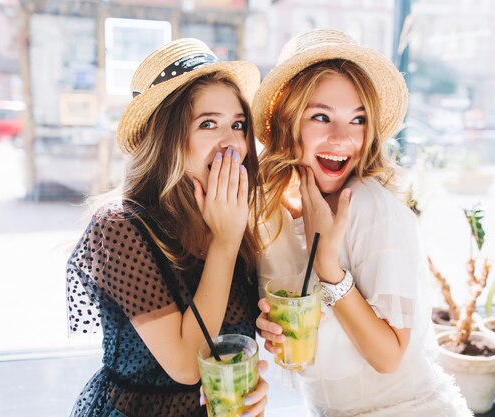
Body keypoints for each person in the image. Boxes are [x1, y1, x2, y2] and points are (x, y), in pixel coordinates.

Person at [253, 29, 472, 417]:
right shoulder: (277, 216)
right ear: (288, 123)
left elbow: (388, 356)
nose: (343, 138)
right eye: (321, 116)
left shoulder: (370, 207)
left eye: (358, 120)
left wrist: (329, 270)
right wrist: (269, 328)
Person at [66, 38, 269, 417]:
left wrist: (252, 386)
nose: (232, 144)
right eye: (208, 124)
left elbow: (231, 348)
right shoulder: (118, 227)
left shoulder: (234, 218)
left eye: (238, 125)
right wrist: (225, 242)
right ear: (166, 139)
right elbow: (188, 366)